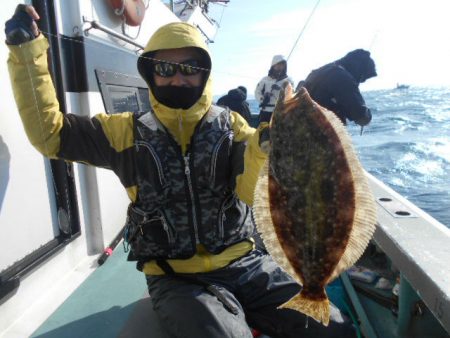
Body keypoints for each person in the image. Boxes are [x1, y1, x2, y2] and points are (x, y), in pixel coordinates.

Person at [5, 5, 356, 338]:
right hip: (177, 280)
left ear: (204, 74)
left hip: (247, 264)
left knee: (334, 327)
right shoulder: (124, 132)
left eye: (189, 69)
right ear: (150, 72)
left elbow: (256, 193)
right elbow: (51, 135)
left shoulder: (232, 127)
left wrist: (269, 150)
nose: (176, 79)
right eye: (165, 69)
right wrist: (27, 52)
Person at [301, 49, 377, 126]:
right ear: (358, 68)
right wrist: (367, 113)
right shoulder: (342, 78)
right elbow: (361, 117)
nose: (362, 81)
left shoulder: (321, 71)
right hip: (317, 130)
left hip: (301, 124)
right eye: (363, 78)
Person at [255, 55, 294, 123]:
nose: (280, 66)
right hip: (265, 112)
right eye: (278, 64)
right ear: (273, 65)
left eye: (282, 64)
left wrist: (280, 89)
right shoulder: (264, 79)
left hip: (281, 112)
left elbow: (291, 95)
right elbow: (257, 92)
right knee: (263, 132)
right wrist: (263, 98)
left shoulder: (289, 80)